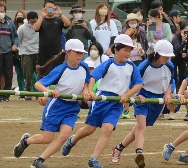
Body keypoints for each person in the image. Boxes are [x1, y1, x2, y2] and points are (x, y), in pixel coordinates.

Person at [61, 34, 143, 168]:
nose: (128, 54)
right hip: (102, 100)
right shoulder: (108, 63)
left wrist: (127, 94)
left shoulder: (132, 66)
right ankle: (72, 140)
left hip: (117, 103)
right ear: (116, 50)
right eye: (125, 50)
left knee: (107, 129)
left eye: (129, 51)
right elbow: (93, 76)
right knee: (89, 130)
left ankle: (94, 159)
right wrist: (91, 91)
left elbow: (139, 84)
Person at [12, 39, 90, 168]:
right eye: (77, 52)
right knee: (46, 139)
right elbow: (38, 84)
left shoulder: (84, 66)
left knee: (64, 135)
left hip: (72, 107)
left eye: (82, 53)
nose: (80, 56)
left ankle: (39, 161)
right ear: (68, 52)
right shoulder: (60, 69)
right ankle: (26, 141)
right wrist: (48, 91)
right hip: (57, 106)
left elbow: (86, 82)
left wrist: (86, 91)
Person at [110, 40, 174, 168]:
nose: (168, 58)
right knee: (141, 125)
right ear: (156, 54)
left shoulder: (170, 65)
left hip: (157, 100)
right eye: (165, 55)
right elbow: (134, 82)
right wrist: (136, 95)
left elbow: (170, 81)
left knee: (138, 128)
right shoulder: (144, 65)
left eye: (169, 56)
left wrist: (168, 94)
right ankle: (139, 152)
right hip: (143, 97)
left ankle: (118, 148)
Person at [33, 0, 70, 66]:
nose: (50, 10)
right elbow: (35, 28)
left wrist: (60, 13)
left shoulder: (58, 20)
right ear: (44, 8)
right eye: (48, 8)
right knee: (43, 72)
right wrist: (42, 16)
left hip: (56, 51)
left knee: (57, 72)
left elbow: (67, 24)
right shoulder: (41, 20)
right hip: (43, 52)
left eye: (51, 8)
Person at [18, 11, 39, 100]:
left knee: (40, 73)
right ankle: (29, 91)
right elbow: (18, 40)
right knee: (28, 74)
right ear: (28, 20)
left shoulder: (40, 26)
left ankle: (39, 92)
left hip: (38, 52)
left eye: (35, 21)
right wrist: (21, 50)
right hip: (26, 53)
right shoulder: (22, 28)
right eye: (32, 21)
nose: (34, 23)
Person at [171, 21, 188, 90]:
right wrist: (183, 42)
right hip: (175, 57)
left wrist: (187, 54)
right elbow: (177, 49)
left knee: (183, 75)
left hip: (183, 59)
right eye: (184, 29)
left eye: (187, 29)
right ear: (181, 30)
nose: (186, 31)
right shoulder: (176, 38)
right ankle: (174, 89)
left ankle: (181, 90)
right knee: (174, 75)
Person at [13, 10, 26, 100]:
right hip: (16, 54)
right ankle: (22, 92)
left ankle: (36, 91)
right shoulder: (13, 28)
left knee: (30, 74)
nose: (20, 17)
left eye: (21, 15)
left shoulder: (28, 27)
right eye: (18, 15)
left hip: (26, 53)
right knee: (19, 74)